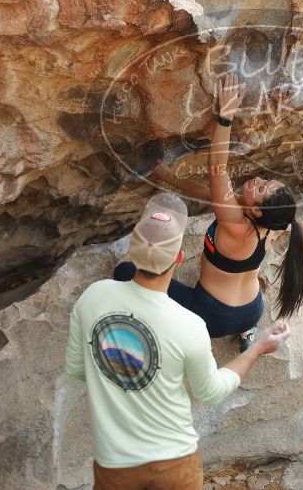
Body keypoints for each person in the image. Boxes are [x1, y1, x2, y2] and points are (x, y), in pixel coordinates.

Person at [65, 192, 291, 490]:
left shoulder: (92, 296)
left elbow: (79, 369)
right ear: (180, 258)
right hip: (173, 462)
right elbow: (209, 391)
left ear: (132, 251)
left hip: (113, 462)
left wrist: (122, 372)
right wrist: (258, 347)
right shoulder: (189, 325)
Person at [115, 72, 303, 352]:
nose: (257, 181)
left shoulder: (235, 223)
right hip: (251, 310)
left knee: (125, 272)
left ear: (256, 211)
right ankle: (247, 333)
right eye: (266, 181)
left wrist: (226, 115)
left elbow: (217, 169)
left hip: (213, 317)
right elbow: (212, 194)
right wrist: (168, 177)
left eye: (262, 188)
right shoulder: (270, 223)